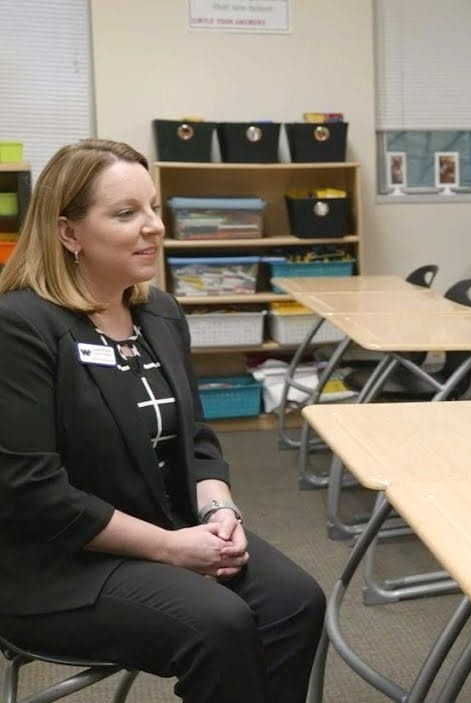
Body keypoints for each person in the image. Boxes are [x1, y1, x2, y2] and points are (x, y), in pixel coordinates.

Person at [0, 139, 325, 701]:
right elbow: (31, 491)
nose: (153, 226)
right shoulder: (21, 327)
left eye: (152, 207)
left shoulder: (159, 312)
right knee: (218, 625)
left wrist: (219, 509)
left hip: (167, 523)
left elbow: (196, 439)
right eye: (126, 213)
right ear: (69, 233)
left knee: (297, 601)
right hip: (55, 563)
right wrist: (170, 549)